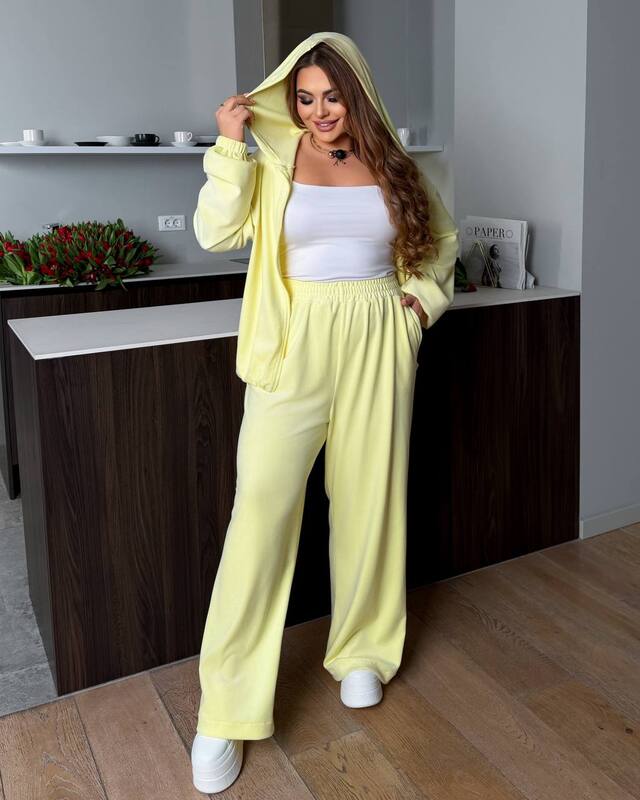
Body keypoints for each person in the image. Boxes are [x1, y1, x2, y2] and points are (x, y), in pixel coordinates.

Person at [190, 30, 459, 794]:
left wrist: (419, 306)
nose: (318, 112)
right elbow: (215, 232)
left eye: (331, 96)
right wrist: (229, 145)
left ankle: (364, 651)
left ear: (357, 94)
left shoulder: (395, 163)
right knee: (261, 514)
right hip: (295, 341)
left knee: (370, 502)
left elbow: (441, 241)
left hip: (379, 335)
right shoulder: (274, 157)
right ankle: (226, 709)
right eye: (305, 98)